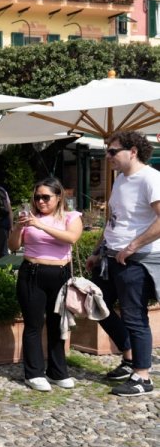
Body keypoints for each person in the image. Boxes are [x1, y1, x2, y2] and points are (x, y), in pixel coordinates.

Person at [86, 131, 159, 397]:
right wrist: (97, 251)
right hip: (112, 256)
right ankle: (128, 356)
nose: (108, 156)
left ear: (133, 151)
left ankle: (142, 376)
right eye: (107, 150)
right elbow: (114, 220)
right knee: (95, 301)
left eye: (112, 151)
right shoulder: (120, 180)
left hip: (136, 260)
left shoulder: (150, 178)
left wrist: (133, 246)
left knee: (134, 316)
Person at [9, 177, 83, 392]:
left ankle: (58, 371)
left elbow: (71, 238)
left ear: (58, 197)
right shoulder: (29, 218)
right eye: (37, 197)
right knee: (33, 324)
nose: (41, 202)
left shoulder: (71, 216)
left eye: (45, 197)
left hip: (60, 273)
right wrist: (17, 227)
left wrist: (40, 225)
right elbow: (13, 246)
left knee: (57, 324)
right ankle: (33, 373)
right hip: (32, 272)